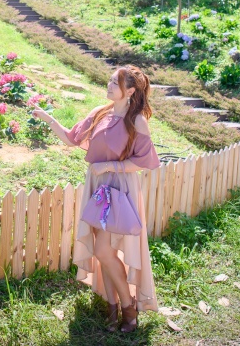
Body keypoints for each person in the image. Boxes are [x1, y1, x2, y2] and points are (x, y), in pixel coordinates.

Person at [31, 65, 159, 332]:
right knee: (105, 251)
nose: (110, 85)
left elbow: (145, 162)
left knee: (103, 250)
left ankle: (128, 306)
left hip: (120, 189)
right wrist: (48, 119)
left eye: (116, 82)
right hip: (98, 188)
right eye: (110, 80)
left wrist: (112, 167)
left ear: (131, 90)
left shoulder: (136, 121)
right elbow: (71, 139)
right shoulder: (100, 113)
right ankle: (113, 305)